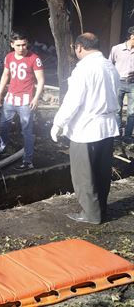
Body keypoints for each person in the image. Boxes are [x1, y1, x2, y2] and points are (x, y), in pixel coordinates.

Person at [51, 33, 120, 225]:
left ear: (79, 47)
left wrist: (58, 123)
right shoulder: (109, 67)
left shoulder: (84, 69)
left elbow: (73, 101)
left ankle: (91, 214)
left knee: (84, 174)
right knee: (101, 171)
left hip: (87, 128)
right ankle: (100, 209)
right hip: (107, 127)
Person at [0, 32, 45, 170]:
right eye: (18, 45)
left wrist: (36, 98)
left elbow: (40, 80)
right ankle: (2, 148)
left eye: (24, 45)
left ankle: (28, 161)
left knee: (27, 131)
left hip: (26, 100)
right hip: (10, 98)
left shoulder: (34, 58)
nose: (21, 48)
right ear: (12, 45)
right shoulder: (9, 57)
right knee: (3, 125)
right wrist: (0, 93)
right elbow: (5, 75)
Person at [109, 26, 134, 142]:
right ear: (132, 36)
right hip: (118, 82)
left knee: (132, 112)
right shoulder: (116, 49)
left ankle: (128, 136)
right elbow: (109, 65)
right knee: (117, 110)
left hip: (132, 84)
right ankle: (117, 134)